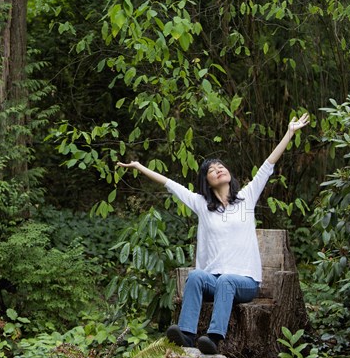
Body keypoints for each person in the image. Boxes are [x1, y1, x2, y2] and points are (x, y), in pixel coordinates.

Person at [116, 113, 309, 355]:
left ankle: (213, 339)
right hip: (213, 281)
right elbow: (170, 184)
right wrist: (139, 167)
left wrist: (289, 132)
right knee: (196, 276)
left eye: (221, 166)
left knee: (227, 281)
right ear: (206, 181)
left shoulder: (246, 198)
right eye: (211, 169)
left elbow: (267, 165)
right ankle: (186, 335)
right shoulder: (200, 205)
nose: (218, 170)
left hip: (244, 282)